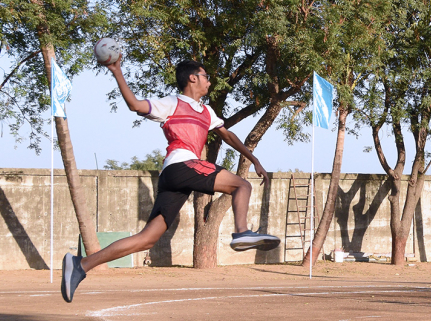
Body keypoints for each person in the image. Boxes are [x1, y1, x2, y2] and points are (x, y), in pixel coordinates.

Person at [61, 58, 279, 302]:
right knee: (242, 185)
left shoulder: (206, 111)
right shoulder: (172, 103)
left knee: (147, 239)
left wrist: (254, 159)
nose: (209, 81)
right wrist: (117, 70)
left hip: (172, 176)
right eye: (206, 76)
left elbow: (228, 135)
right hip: (181, 165)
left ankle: (81, 265)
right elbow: (134, 105)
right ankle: (241, 233)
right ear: (193, 78)